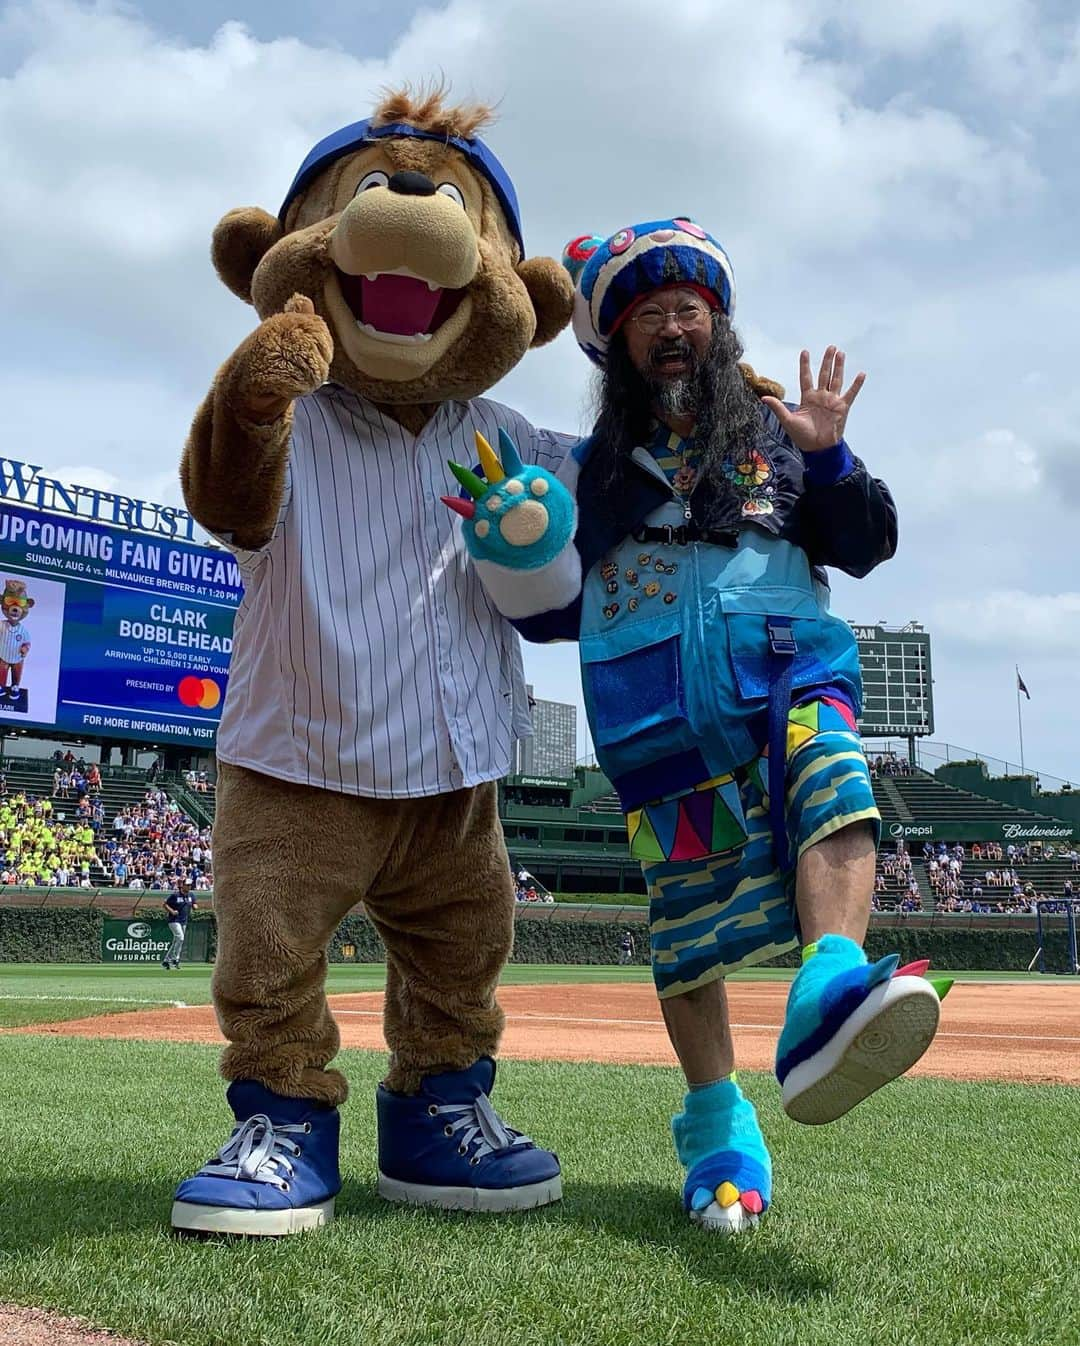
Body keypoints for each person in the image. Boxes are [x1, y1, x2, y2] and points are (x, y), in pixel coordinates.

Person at [450, 218, 949, 1235]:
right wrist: (516, 542)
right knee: (687, 932)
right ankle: (719, 1128)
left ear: (717, 327)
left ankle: (827, 986)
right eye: (651, 314)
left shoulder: (775, 435)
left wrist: (832, 450)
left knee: (835, 777)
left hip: (785, 674)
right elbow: (550, 609)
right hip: (656, 724)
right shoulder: (588, 474)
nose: (675, 326)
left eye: (692, 308)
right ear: (617, 343)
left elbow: (866, 542)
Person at [162, 881, 197, 969]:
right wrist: (172, 911)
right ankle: (175, 959)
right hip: (174, 920)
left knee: (177, 941)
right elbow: (165, 904)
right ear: (183, 886)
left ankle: (166, 961)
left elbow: (194, 904)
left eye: (190, 885)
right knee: (180, 938)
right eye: (187, 885)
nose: (189, 887)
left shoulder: (191, 895)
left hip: (183, 921)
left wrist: (195, 906)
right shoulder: (175, 895)